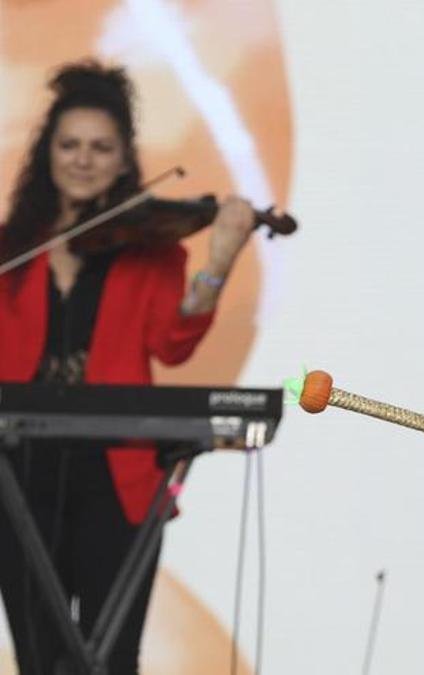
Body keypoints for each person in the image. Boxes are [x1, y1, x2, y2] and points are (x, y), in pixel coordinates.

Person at [0, 60, 256, 673]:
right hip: (17, 474)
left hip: (117, 477)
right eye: (70, 145)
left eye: (100, 147)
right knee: (39, 656)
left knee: (113, 656)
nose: (83, 160)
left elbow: (173, 343)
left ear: (122, 160)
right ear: (47, 155)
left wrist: (218, 257)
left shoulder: (151, 249)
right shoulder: (12, 249)